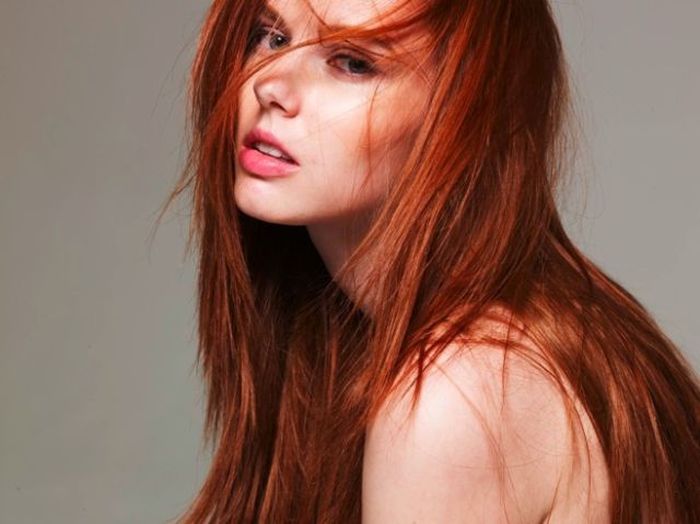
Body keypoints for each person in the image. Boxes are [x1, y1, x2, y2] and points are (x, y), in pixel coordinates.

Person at [160, 0, 700, 521]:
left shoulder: (458, 389)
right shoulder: (528, 330)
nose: (270, 85)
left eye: (353, 63)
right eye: (272, 36)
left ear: (464, 114)